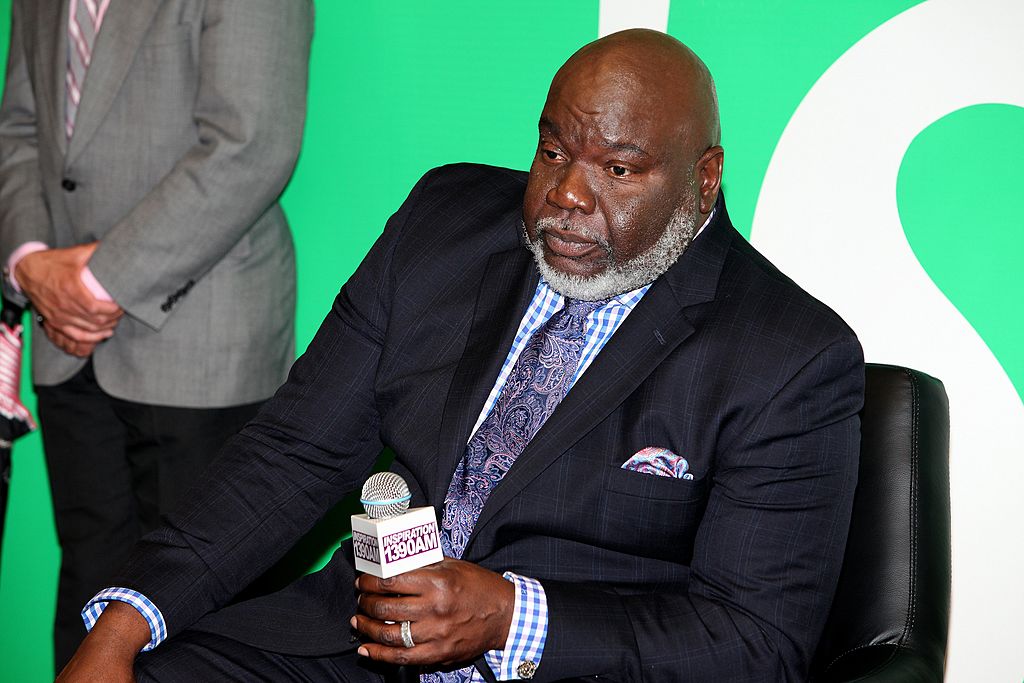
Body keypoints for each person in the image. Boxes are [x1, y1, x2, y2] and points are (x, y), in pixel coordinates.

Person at [59, 29, 863, 682]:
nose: (569, 196)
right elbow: (292, 454)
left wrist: (515, 618)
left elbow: (754, 643)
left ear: (704, 181)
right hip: (357, 642)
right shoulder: (443, 226)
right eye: (554, 152)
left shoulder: (788, 356)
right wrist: (125, 619)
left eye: (617, 170)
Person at [0, 0, 313, 670]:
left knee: (212, 625)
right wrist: (29, 262)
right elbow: (20, 130)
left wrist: (93, 283)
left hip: (204, 336)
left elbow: (251, 143)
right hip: (67, 345)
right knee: (88, 605)